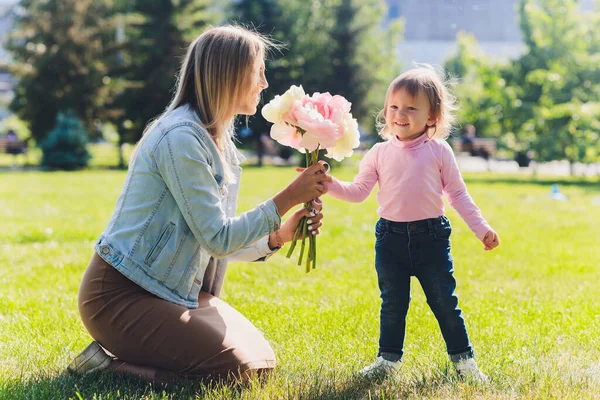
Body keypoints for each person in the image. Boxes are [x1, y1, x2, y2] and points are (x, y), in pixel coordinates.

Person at [67, 25, 331, 383]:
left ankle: (129, 358)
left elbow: (211, 241)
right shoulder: (180, 139)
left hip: (174, 292)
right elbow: (217, 238)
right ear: (229, 74)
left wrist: (278, 236)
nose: (265, 83)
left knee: (262, 363)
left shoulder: (216, 142)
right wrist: (286, 198)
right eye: (258, 72)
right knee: (237, 372)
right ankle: (105, 367)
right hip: (121, 294)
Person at [324, 66, 500, 381]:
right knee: (392, 304)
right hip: (390, 240)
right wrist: (327, 183)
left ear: (432, 117)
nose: (399, 114)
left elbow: (458, 194)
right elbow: (358, 192)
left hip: (431, 239)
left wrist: (482, 228)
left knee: (445, 302)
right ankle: (387, 360)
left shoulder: (438, 151)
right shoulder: (378, 153)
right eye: (393, 106)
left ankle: (464, 362)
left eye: (410, 108)